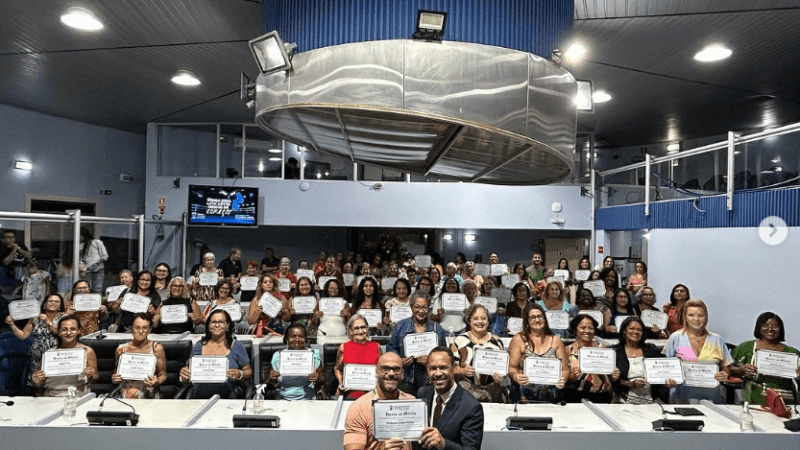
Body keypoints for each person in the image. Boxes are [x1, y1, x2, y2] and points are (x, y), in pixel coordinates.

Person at [663, 299, 732, 403]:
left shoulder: (717, 339)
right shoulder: (675, 337)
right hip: (682, 397)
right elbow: (666, 367)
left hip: (713, 398)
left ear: (706, 317)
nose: (696, 319)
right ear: (685, 317)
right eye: (691, 315)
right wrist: (668, 380)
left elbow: (726, 367)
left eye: (700, 315)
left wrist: (724, 374)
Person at [415, 346, 484, 450]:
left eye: (443, 367)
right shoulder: (422, 393)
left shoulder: (471, 407)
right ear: (427, 369)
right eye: (433, 368)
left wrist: (444, 444)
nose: (438, 373)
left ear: (454, 368)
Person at [343, 352, 414, 450]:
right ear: (376, 372)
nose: (391, 373)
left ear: (402, 374)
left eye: (396, 369)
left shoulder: (412, 402)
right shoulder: (358, 408)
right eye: (385, 369)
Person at [179, 309, 252, 399]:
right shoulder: (199, 345)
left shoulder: (237, 346)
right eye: (213, 322)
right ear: (208, 325)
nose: (217, 325)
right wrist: (184, 374)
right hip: (201, 390)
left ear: (228, 325)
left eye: (221, 322)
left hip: (228, 391)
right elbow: (188, 369)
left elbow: (248, 372)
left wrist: (239, 374)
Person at [730, 312, 800, 404]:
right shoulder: (746, 348)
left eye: (775, 326)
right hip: (753, 399)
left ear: (781, 329)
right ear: (758, 328)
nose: (770, 329)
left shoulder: (793, 353)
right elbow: (728, 368)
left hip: (786, 401)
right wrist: (742, 370)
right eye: (765, 325)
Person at [388, 290, 447, 395]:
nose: (421, 311)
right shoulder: (400, 326)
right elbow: (391, 348)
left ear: (428, 308)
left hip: (430, 379)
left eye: (424, 307)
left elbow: (444, 354)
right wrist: (399, 361)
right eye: (417, 307)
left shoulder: (437, 328)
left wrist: (431, 361)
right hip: (405, 379)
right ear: (411, 308)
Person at [508, 303, 569, 403]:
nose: (537, 320)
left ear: (545, 319)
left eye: (540, 316)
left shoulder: (556, 340)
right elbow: (512, 367)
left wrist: (562, 379)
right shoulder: (519, 339)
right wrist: (516, 377)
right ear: (527, 321)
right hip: (524, 395)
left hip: (551, 395)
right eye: (532, 317)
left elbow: (565, 369)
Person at [5, 293, 68, 382]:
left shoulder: (65, 318)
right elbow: (23, 336)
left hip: (57, 356)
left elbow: (61, 334)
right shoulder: (35, 318)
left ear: (60, 305)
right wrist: (12, 324)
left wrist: (47, 321)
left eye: (56, 301)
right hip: (38, 357)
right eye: (50, 301)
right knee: (38, 382)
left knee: (56, 382)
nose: (53, 303)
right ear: (45, 304)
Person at [30, 314, 98, 397]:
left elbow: (95, 377)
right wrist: (37, 380)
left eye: (72, 329)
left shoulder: (87, 351)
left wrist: (91, 375)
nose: (68, 333)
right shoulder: (49, 354)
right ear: (59, 332)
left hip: (78, 395)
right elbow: (40, 383)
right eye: (64, 329)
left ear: (79, 331)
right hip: (52, 396)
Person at [450, 304, 506, 402]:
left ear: (488, 321)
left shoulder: (497, 341)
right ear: (469, 320)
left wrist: (500, 376)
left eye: (483, 318)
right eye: (475, 318)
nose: (480, 322)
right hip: (466, 390)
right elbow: (450, 368)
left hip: (492, 392)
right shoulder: (460, 340)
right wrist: (463, 371)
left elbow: (503, 367)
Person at [613, 317, 669, 404]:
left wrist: (667, 383)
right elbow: (611, 381)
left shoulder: (652, 349)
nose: (635, 332)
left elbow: (662, 373)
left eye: (639, 330)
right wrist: (630, 384)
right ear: (624, 331)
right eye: (632, 328)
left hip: (651, 400)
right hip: (623, 401)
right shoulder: (615, 351)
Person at [565, 314, 619, 403]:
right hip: (577, 396)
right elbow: (565, 378)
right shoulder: (568, 350)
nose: (587, 331)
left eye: (590, 328)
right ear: (575, 329)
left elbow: (610, 375)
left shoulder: (603, 348)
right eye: (583, 327)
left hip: (603, 396)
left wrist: (614, 375)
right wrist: (573, 376)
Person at [112, 313, 167, 399]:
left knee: (133, 394)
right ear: (131, 329)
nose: (141, 331)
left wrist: (157, 381)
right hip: (126, 387)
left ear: (149, 329)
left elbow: (163, 375)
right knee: (130, 394)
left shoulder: (156, 348)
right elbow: (116, 371)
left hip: (148, 387)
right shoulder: (122, 349)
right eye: (137, 328)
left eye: (144, 328)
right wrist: (115, 378)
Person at [267, 322, 325, 400]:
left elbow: (323, 379)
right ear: (287, 339)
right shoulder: (278, 356)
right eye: (292, 336)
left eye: (301, 336)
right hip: (282, 398)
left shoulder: (313, 355)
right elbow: (269, 382)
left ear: (306, 339)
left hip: (307, 398)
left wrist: (317, 378)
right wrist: (271, 378)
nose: (297, 340)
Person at [335, 314, 382, 399]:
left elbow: (381, 369)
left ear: (368, 329)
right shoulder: (344, 347)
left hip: (372, 394)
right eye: (356, 328)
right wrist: (341, 383)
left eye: (363, 327)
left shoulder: (376, 346)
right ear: (350, 331)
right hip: (350, 394)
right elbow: (337, 368)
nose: (360, 331)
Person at [312, 278, 350, 343]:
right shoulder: (320, 303)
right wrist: (316, 316)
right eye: (331, 288)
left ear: (339, 290)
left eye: (336, 288)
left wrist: (348, 315)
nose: (333, 290)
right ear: (327, 290)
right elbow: (314, 323)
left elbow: (350, 323)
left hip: (341, 337)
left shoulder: (344, 303)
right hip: (323, 337)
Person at [78, 227, 108, 294]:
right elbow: (80, 258)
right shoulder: (80, 246)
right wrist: (80, 264)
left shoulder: (97, 242)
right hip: (87, 271)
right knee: (86, 288)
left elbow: (105, 256)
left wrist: (91, 264)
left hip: (98, 269)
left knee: (98, 288)